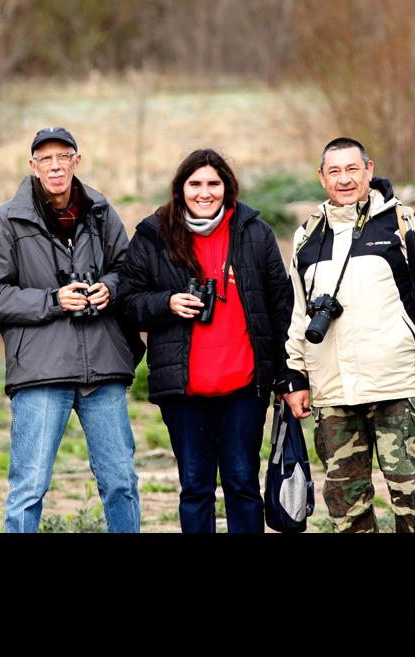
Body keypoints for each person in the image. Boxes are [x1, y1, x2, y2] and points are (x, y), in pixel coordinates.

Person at [283, 137, 415, 532]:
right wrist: (295, 377)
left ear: (369, 170)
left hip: (397, 386)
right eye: (334, 171)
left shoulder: (403, 223)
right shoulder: (307, 235)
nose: (344, 179)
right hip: (333, 393)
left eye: (352, 169)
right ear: (321, 177)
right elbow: (298, 315)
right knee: (346, 510)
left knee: (414, 504)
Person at [117, 149, 296, 533]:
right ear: (180, 188)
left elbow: (282, 306)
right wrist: (166, 303)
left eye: (213, 183)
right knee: (195, 488)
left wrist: (287, 376)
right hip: (183, 389)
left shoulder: (254, 232)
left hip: (245, 386)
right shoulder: (153, 234)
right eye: (195, 183)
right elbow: (126, 302)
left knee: (242, 483)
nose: (204, 192)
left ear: (227, 187)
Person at [0, 127, 141, 533]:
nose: (55, 166)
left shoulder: (101, 212)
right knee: (28, 488)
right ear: (32, 166)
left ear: (76, 161)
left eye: (63, 157)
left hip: (102, 367)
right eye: (45, 159)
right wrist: (53, 300)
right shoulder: (7, 220)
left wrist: (109, 288)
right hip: (41, 372)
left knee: (121, 483)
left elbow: (128, 270)